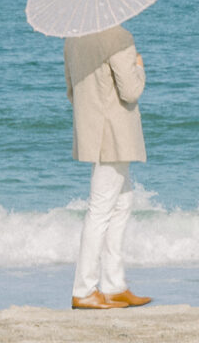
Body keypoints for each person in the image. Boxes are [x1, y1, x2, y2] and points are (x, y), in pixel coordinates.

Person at [64, 24, 152, 309]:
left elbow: (71, 91)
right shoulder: (120, 37)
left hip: (93, 131)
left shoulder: (73, 38)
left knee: (122, 204)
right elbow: (131, 91)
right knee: (101, 209)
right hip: (115, 133)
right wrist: (139, 66)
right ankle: (84, 289)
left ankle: (114, 285)